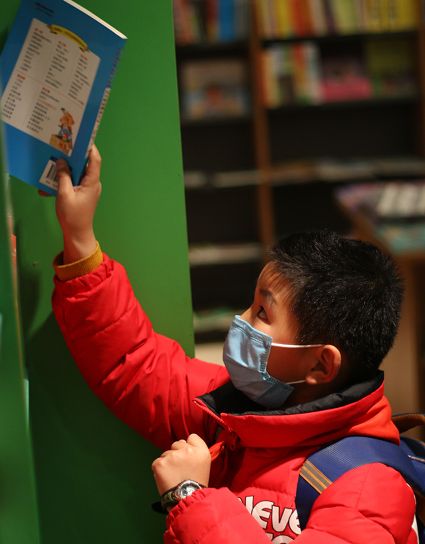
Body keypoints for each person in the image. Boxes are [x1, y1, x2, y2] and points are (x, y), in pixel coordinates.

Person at [51, 146, 418, 544]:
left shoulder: (368, 487)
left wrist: (189, 496)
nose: (241, 320)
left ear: (320, 366)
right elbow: (136, 363)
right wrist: (79, 239)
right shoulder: (233, 408)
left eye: (262, 313)